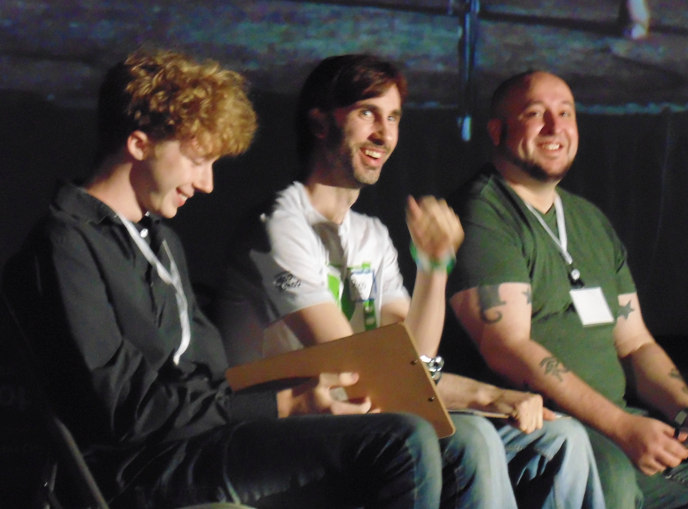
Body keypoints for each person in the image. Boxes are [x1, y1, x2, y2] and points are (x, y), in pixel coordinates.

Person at [1, 48, 455, 509]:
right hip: (141, 468)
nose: (207, 184)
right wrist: (283, 405)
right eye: (199, 160)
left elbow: (212, 375)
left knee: (446, 442)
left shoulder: (159, 240)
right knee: (401, 441)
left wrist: (295, 399)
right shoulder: (67, 243)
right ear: (139, 145)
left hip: (206, 442)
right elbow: (124, 411)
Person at [216, 54, 605, 509]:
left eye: (394, 117)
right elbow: (365, 373)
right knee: (472, 436)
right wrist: (485, 395)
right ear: (320, 124)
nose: (384, 134)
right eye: (367, 114)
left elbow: (414, 364)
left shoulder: (370, 234)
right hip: (286, 440)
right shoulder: (281, 225)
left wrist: (434, 267)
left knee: (560, 438)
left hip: (370, 422)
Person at [448, 69, 688, 508]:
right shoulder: (483, 211)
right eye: (536, 114)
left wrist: (686, 413)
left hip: (619, 423)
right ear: (497, 131)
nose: (555, 128)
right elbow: (506, 346)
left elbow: (635, 342)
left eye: (565, 113)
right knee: (607, 476)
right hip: (545, 431)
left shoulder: (588, 219)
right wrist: (622, 428)